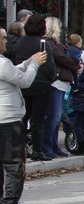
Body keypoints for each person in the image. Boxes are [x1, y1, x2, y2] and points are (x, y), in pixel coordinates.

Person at [0, 27, 46, 204]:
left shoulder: (4, 64)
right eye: (3, 38)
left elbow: (12, 73)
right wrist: (34, 66)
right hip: (8, 119)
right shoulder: (2, 63)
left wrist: (28, 61)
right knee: (14, 162)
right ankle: (10, 203)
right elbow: (24, 81)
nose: (6, 41)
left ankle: (5, 202)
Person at [12, 14, 55, 161]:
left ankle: (20, 150)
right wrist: (51, 78)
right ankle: (37, 150)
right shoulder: (43, 44)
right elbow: (49, 66)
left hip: (23, 83)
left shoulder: (19, 43)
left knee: (23, 118)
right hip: (41, 84)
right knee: (38, 120)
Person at [43, 17, 78, 158]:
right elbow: (60, 58)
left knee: (55, 118)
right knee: (53, 117)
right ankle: (47, 147)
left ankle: (53, 146)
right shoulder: (50, 43)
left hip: (60, 82)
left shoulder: (55, 43)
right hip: (55, 82)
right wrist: (75, 63)